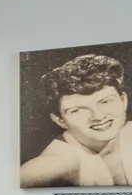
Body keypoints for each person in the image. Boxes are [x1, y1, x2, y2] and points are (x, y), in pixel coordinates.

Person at [21, 53, 132, 186]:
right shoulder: (60, 160)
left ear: (123, 100)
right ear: (59, 120)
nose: (98, 116)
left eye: (106, 101)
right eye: (77, 110)